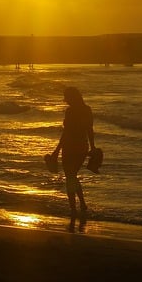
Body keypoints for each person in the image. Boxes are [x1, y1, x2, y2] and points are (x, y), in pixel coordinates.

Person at [48, 87, 96, 220]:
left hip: (70, 147)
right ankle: (82, 204)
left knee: (70, 176)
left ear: (72, 97)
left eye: (67, 98)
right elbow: (89, 130)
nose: (66, 101)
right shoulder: (87, 110)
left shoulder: (70, 112)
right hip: (82, 146)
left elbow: (67, 132)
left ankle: (74, 209)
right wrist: (92, 147)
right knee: (72, 176)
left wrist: (56, 151)